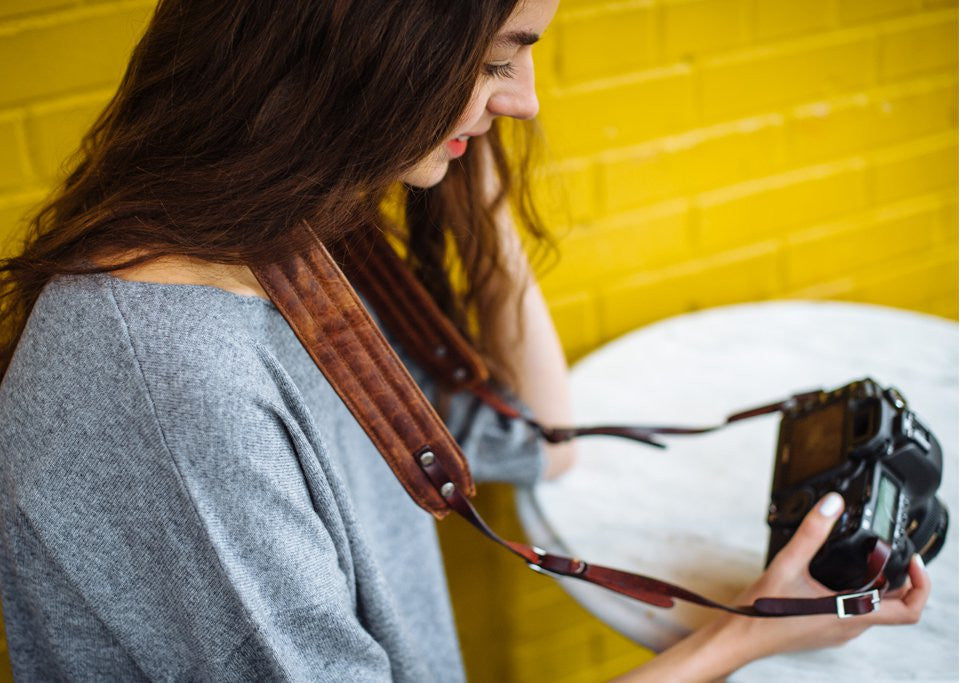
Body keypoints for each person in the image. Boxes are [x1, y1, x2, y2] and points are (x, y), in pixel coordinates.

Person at [0, 1, 929, 681]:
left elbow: (539, 440)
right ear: (361, 49)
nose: (523, 101)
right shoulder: (174, 384)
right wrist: (748, 634)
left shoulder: (282, 251)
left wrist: (463, 160)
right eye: (497, 60)